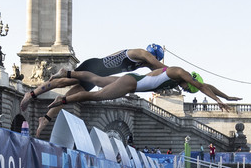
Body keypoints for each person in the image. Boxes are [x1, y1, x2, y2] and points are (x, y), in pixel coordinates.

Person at [21, 45, 167, 137]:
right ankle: (31, 94)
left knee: (68, 97)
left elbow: (156, 73)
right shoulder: (141, 53)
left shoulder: (143, 63)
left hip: (97, 76)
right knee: (63, 81)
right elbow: (160, 68)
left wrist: (168, 81)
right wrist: (176, 75)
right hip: (93, 66)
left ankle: (45, 119)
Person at [47, 66, 241, 112]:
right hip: (131, 84)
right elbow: (201, 86)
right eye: (186, 88)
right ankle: (61, 101)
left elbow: (206, 85)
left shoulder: (179, 78)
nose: (182, 89)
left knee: (97, 78)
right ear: (188, 81)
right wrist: (218, 101)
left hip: (133, 80)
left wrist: (227, 96)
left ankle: (67, 73)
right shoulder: (177, 72)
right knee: (95, 96)